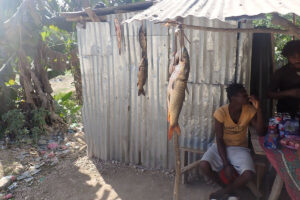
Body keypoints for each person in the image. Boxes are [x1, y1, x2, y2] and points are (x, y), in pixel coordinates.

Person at [199, 83, 265, 199]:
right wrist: (226, 164)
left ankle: (222, 192)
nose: (247, 97)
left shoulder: (249, 110)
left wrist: (258, 109)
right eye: (243, 95)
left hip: (239, 148)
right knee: (204, 165)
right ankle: (229, 190)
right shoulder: (221, 113)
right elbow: (219, 139)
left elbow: (260, 132)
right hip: (220, 146)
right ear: (233, 98)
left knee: (248, 173)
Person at [268, 40, 300, 118]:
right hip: (287, 114)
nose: (297, 59)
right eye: (293, 57)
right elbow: (269, 94)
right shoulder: (281, 73)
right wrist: (289, 93)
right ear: (287, 57)